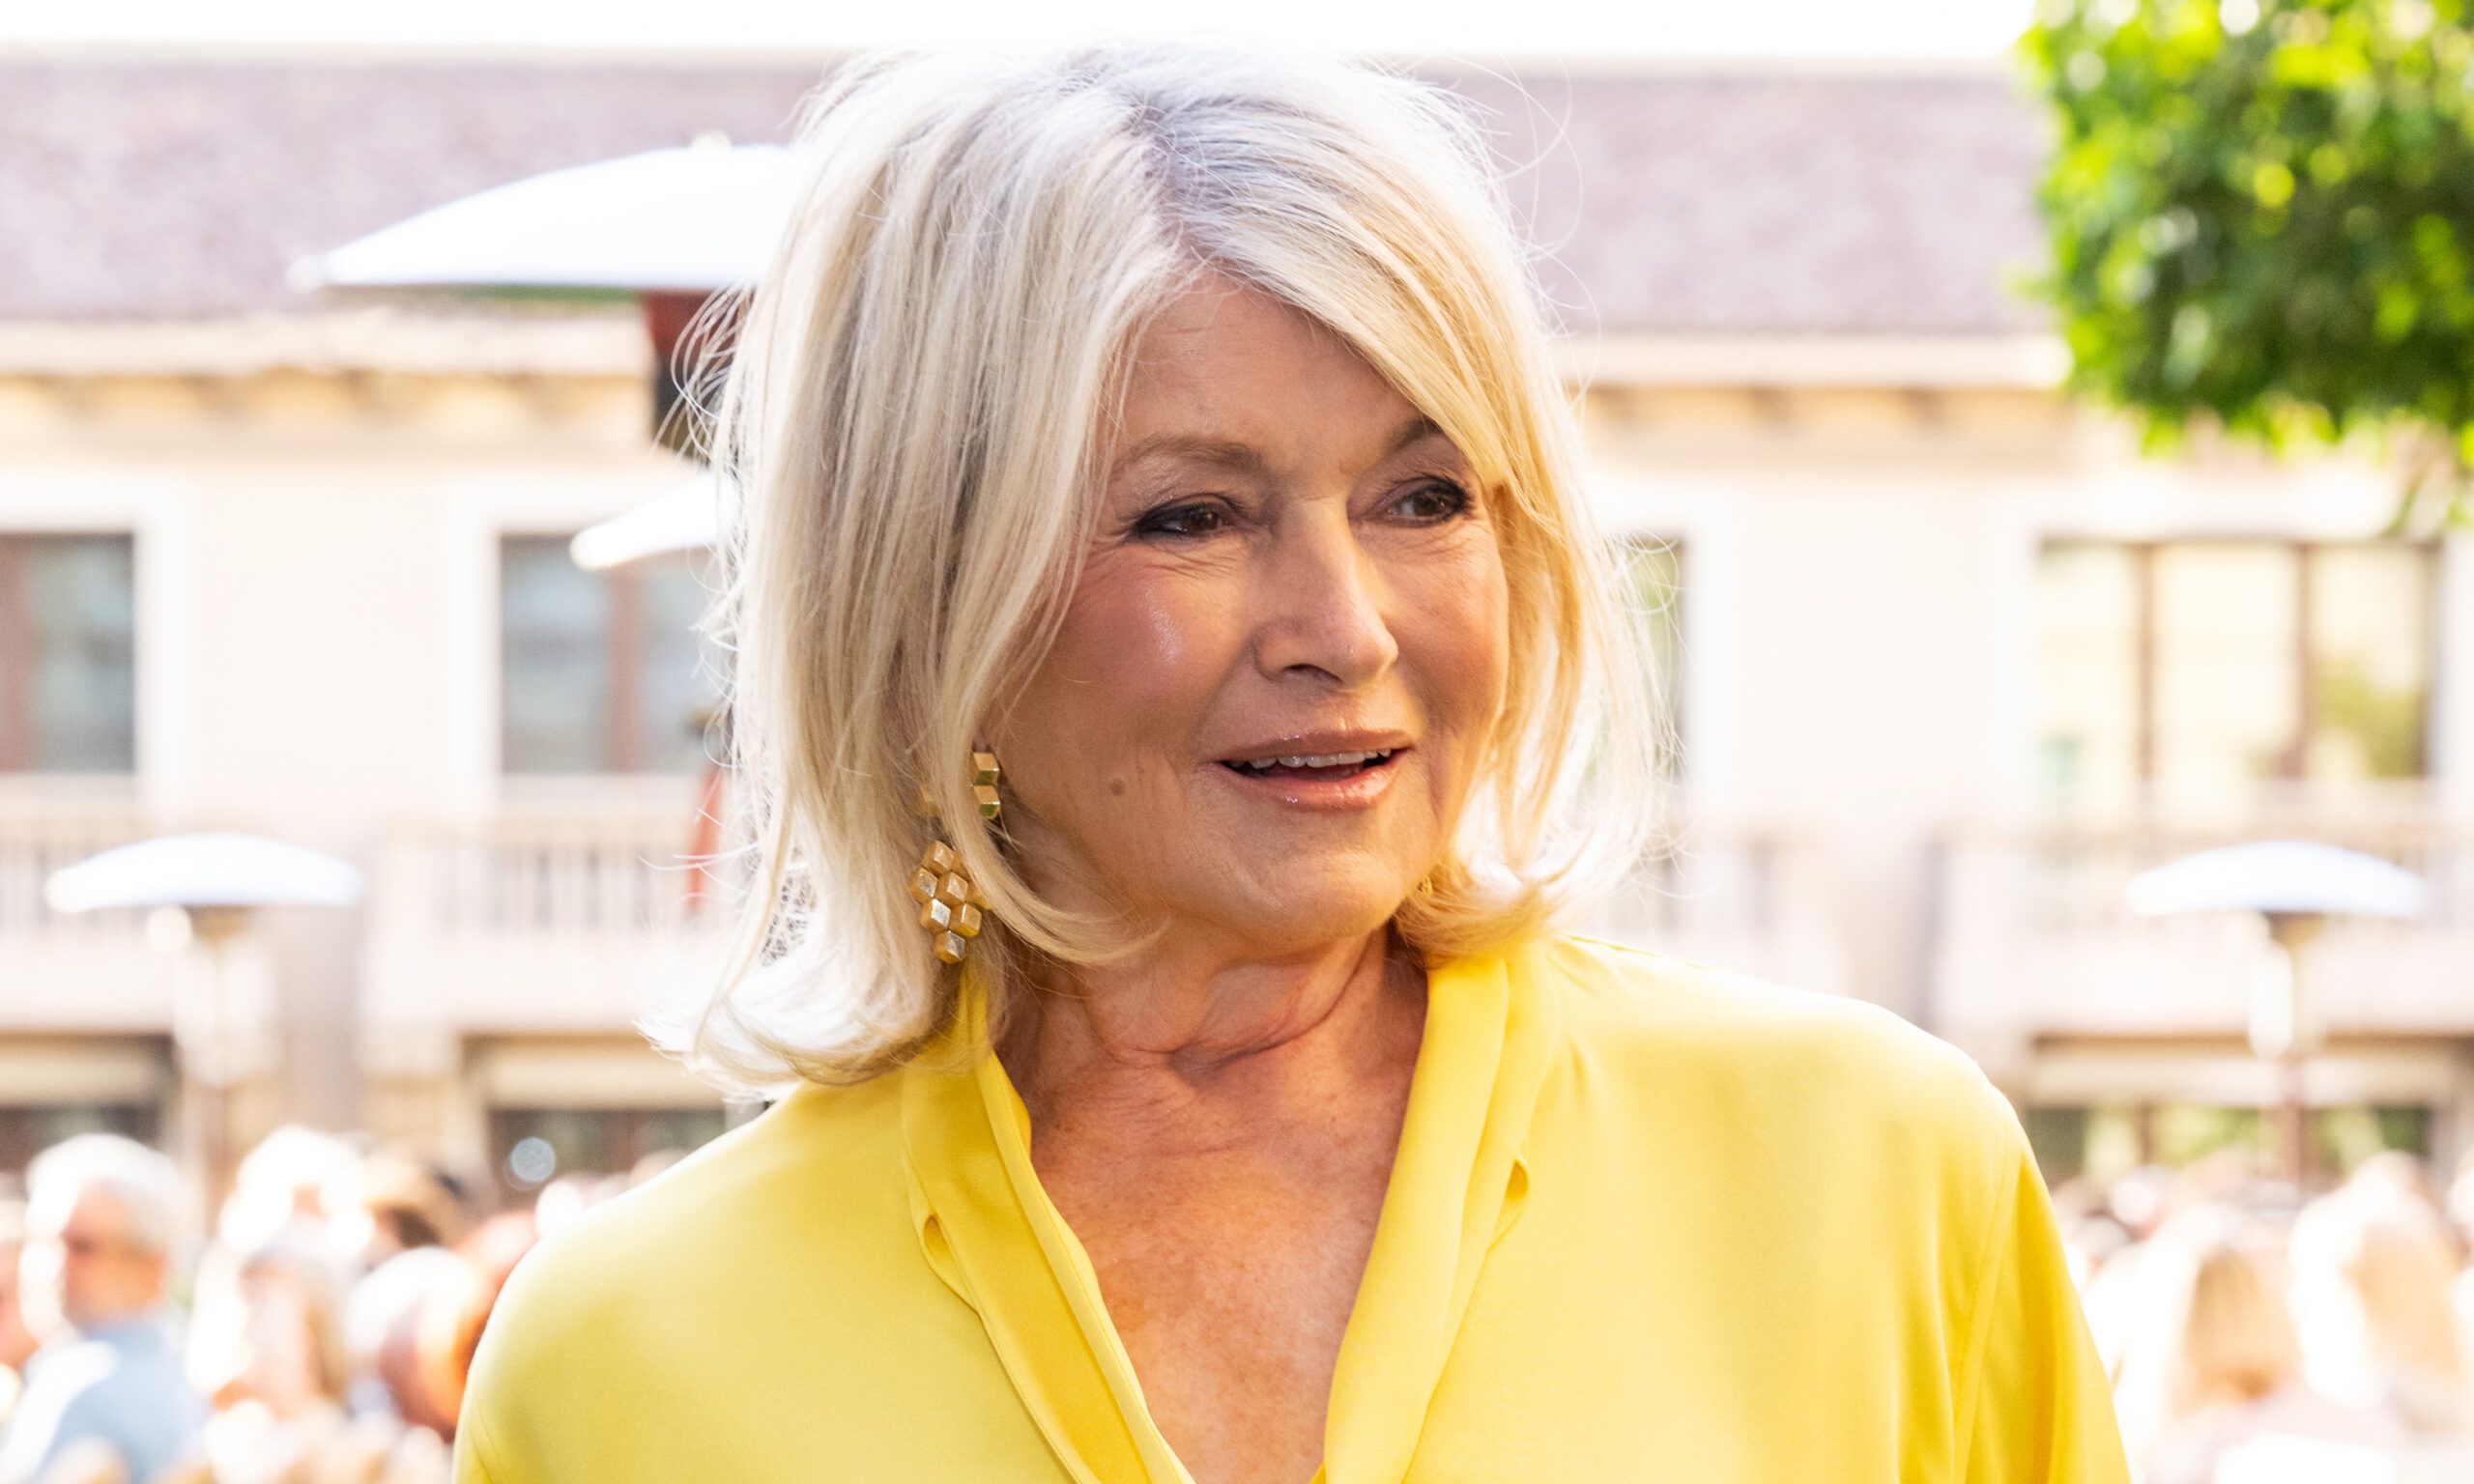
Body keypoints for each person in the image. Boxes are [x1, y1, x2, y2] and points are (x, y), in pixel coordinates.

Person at [454, 41, 2132, 1484]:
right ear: (925, 593)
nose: (1345, 627)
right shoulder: (626, 1358)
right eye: (1191, 516)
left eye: (1426, 498)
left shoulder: (1873, 1172)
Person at [0, 1134, 206, 1484]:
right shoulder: (179, 1373)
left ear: (152, 1266)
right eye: (43, 1240)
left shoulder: (85, 1387)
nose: (54, 1264)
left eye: (82, 1247)